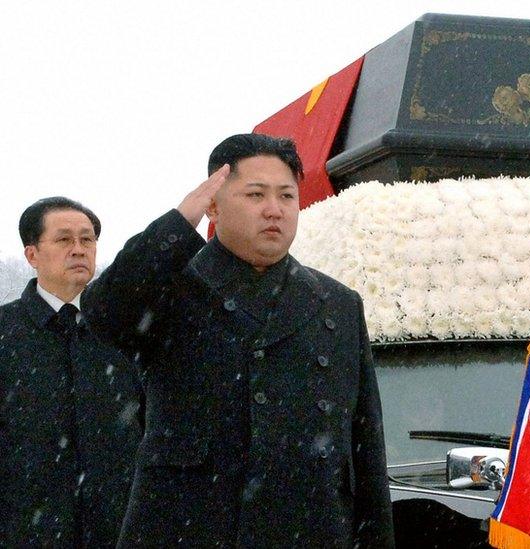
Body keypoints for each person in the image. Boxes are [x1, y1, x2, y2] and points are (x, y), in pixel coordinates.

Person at [82, 134, 394, 546]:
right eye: (255, 194)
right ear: (213, 204)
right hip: (191, 527)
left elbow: (365, 447)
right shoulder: (172, 288)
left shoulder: (336, 303)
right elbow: (104, 312)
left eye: (287, 196)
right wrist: (178, 224)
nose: (274, 210)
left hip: (309, 529)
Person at [0, 197, 141, 546]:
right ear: (32, 255)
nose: (79, 249)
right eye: (64, 240)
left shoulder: (126, 329)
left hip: (122, 533)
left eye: (87, 239)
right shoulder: (6, 332)